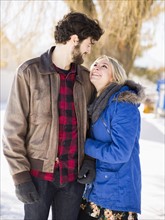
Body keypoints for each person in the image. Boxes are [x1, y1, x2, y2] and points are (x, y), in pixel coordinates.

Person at [2, 12, 104, 220]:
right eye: (89, 43)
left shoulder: (85, 79)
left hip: (74, 179)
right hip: (38, 177)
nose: (88, 50)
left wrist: (90, 160)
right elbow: (13, 129)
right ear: (74, 40)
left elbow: (95, 126)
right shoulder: (29, 72)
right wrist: (20, 176)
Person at [78, 55, 145, 220]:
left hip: (116, 194)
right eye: (95, 64)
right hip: (98, 188)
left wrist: (84, 144)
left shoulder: (123, 105)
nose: (96, 67)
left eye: (104, 66)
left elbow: (120, 153)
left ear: (114, 77)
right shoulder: (99, 104)